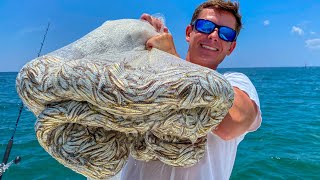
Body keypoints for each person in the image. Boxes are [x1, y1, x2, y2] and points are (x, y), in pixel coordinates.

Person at [120, 0, 262, 179]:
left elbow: (231, 125)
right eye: (205, 26)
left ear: (231, 47)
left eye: (226, 33)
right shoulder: (150, 77)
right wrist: (144, 42)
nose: (214, 36)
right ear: (189, 32)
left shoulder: (235, 82)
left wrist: (171, 60)